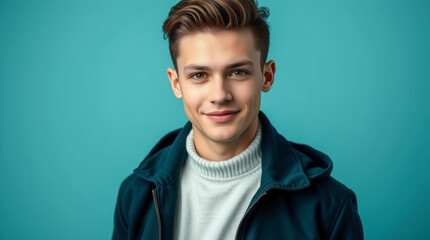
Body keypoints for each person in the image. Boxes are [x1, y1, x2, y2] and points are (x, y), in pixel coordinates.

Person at [112, 0, 364, 239]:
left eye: (238, 72)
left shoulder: (331, 205)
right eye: (199, 75)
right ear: (176, 84)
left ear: (266, 76)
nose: (220, 95)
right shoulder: (136, 195)